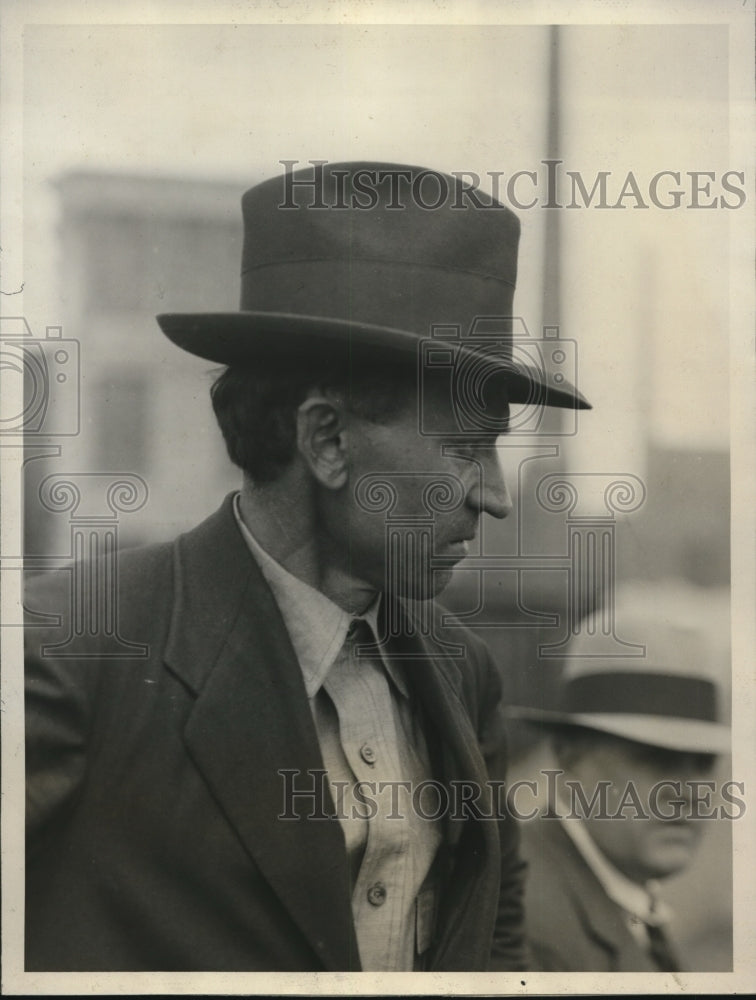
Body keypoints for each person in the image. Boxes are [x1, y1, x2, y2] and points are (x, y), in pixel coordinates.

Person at [24, 161, 590, 972]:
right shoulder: (69, 652)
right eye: (467, 449)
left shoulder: (461, 671)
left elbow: (491, 930)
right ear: (327, 440)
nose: (495, 498)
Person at [510, 604, 731, 972]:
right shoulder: (520, 916)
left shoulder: (619, 896)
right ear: (568, 756)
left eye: (704, 762)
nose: (690, 792)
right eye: (657, 757)